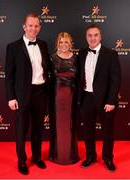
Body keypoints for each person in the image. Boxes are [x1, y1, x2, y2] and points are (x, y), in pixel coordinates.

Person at [5, 13, 51, 175]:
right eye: (30, 25)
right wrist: (11, 97)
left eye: (36, 25)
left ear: (40, 27)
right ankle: (22, 161)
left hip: (41, 92)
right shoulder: (13, 47)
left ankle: (37, 157)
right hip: (22, 94)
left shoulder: (44, 45)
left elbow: (47, 69)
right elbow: (9, 75)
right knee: (21, 130)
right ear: (24, 27)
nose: (33, 28)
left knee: (38, 128)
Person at [77, 24, 121, 172]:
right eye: (90, 35)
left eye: (95, 35)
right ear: (86, 37)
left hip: (105, 101)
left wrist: (110, 100)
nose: (93, 38)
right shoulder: (82, 53)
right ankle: (90, 156)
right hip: (86, 98)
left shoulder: (111, 54)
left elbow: (116, 80)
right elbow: (79, 77)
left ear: (100, 36)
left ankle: (108, 158)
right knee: (88, 130)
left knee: (108, 131)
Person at [49, 32, 79, 164]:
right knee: (58, 125)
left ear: (70, 43)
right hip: (56, 96)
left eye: (66, 42)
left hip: (72, 96)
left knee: (70, 125)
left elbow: (81, 78)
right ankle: (57, 155)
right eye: (61, 42)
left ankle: (71, 155)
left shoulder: (77, 58)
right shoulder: (52, 58)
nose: (63, 44)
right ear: (57, 44)